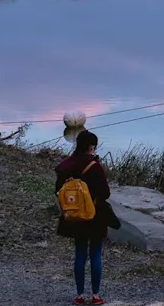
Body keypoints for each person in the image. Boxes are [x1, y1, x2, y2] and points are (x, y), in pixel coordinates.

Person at [56, 130, 117, 305]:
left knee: (80, 253)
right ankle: (96, 296)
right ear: (91, 146)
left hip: (75, 215)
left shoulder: (67, 165)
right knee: (95, 253)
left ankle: (80, 296)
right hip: (95, 215)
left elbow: (58, 191)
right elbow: (105, 193)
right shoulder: (94, 166)